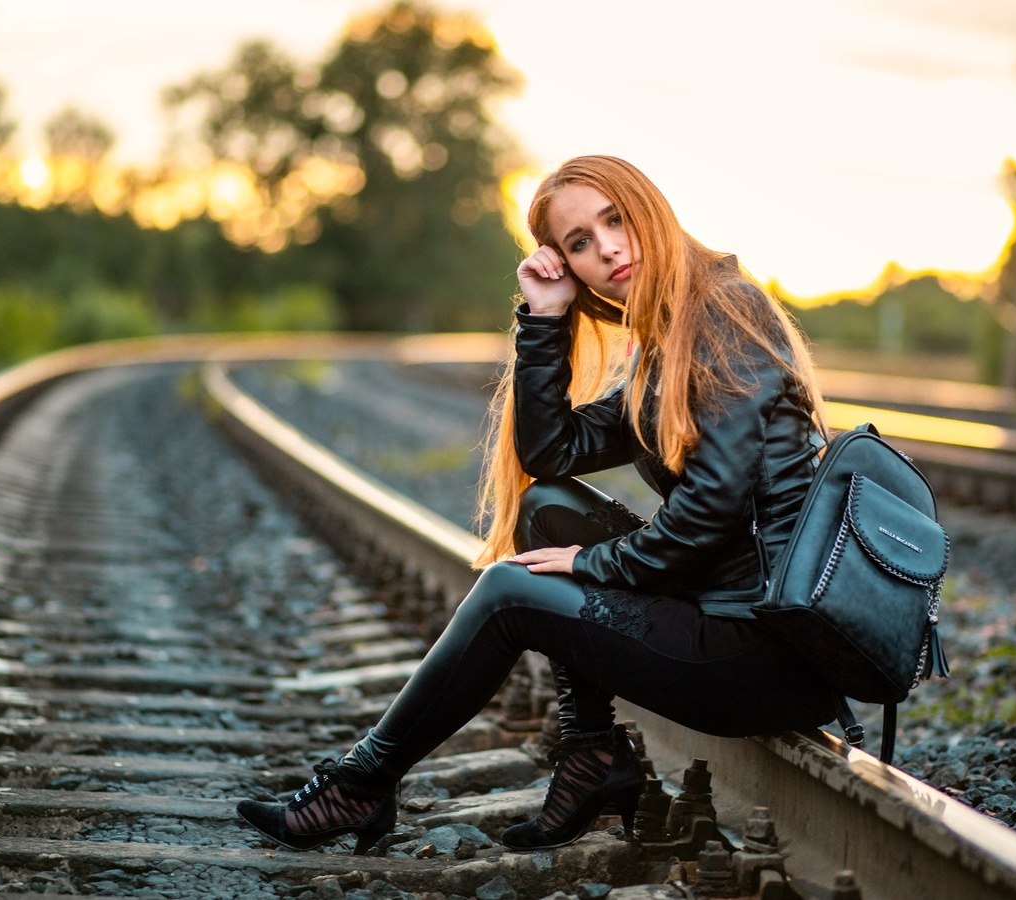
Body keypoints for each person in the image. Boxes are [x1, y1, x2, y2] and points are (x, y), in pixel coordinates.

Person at [235, 155, 838, 855]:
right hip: (732, 616)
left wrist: (597, 559)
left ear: (651, 210)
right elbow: (551, 453)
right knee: (547, 506)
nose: (607, 246)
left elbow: (715, 508)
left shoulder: (725, 312)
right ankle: (590, 757)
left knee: (510, 593)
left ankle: (362, 784)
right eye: (579, 241)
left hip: (768, 653)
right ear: (568, 264)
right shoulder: (666, 338)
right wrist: (545, 319)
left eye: (615, 219)